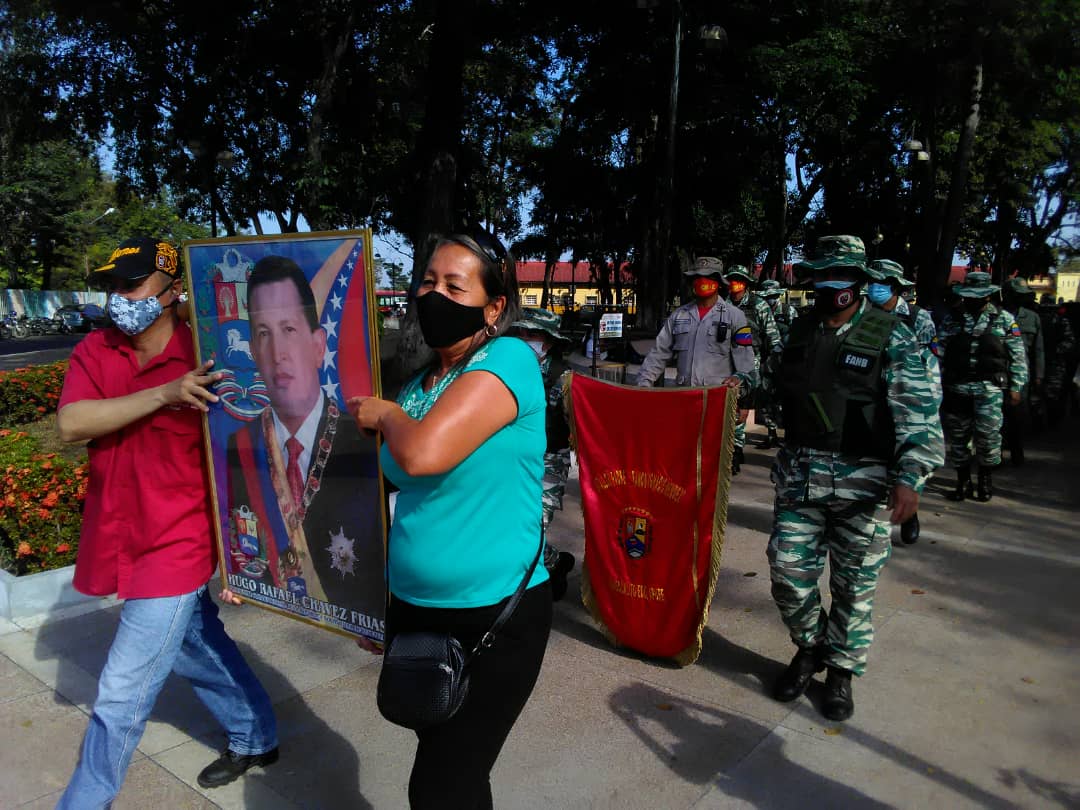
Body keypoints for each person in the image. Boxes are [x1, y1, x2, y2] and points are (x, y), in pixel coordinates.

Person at [55, 237, 278, 808]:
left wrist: (243, 557)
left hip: (179, 544)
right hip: (121, 535)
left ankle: (85, 800)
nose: (120, 298)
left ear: (172, 289)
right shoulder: (97, 350)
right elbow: (73, 424)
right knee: (192, 644)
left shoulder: (211, 356)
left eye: (132, 286)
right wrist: (163, 394)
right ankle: (256, 735)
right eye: (114, 287)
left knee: (120, 691)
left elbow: (248, 459)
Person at [349, 231, 551, 809]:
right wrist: (364, 597)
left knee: (441, 782)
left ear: (492, 308)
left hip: (491, 617)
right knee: (450, 759)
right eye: (428, 281)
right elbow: (389, 493)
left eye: (454, 286)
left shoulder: (508, 360)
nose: (434, 294)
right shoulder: (418, 387)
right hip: (412, 613)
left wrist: (384, 414)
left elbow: (420, 455)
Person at [768, 235, 944, 722]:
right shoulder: (800, 331)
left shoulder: (894, 334)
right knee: (787, 576)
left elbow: (920, 414)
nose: (828, 286)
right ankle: (811, 646)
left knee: (854, 586)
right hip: (799, 478)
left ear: (860, 283)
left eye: (839, 277)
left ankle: (840, 671)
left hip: (864, 486)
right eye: (820, 276)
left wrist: (911, 478)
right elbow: (777, 387)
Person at [225, 256, 384, 629]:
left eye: (289, 330)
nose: (277, 353)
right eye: (264, 333)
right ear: (252, 349)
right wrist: (238, 576)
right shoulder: (240, 447)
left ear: (317, 346)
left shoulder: (364, 440)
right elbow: (243, 542)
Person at [636, 256, 756, 472]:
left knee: (713, 467)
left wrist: (741, 388)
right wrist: (644, 384)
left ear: (719, 282)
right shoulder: (679, 316)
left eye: (708, 278)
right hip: (684, 403)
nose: (702, 282)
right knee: (682, 462)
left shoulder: (735, 317)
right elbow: (658, 353)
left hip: (717, 404)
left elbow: (746, 363)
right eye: (697, 278)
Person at [865, 258, 941, 544]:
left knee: (906, 461)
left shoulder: (917, 317)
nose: (874, 288)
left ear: (895, 287)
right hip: (874, 397)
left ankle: (910, 513)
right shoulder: (864, 313)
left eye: (881, 283)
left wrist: (929, 403)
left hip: (909, 397)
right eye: (872, 282)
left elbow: (929, 363)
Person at [937, 271, 1028, 502]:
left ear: (988, 296)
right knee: (958, 438)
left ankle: (985, 481)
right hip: (958, 388)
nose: (973, 300)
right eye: (969, 296)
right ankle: (962, 482)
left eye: (978, 296)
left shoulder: (1004, 319)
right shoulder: (952, 318)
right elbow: (939, 352)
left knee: (988, 438)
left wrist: (1017, 386)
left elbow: (1017, 356)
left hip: (989, 390)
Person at [510, 307, 577, 601]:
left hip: (549, 460)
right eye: (521, 333)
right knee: (511, 523)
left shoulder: (563, 379)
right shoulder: (508, 368)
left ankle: (533, 588)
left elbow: (581, 421)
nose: (525, 339)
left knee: (532, 526)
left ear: (548, 342)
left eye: (532, 334)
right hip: (513, 460)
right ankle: (554, 561)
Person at [724, 265, 782, 467]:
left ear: (746, 283)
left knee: (742, 404)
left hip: (750, 360)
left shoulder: (758, 305)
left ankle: (737, 449)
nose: (735, 284)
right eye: (731, 280)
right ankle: (731, 448)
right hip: (725, 361)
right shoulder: (723, 305)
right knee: (728, 406)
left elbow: (773, 337)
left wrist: (773, 366)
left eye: (739, 280)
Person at [1001, 277, 1044, 466]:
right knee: (997, 416)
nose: (1019, 299)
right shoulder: (997, 316)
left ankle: (1017, 452)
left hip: (1021, 374)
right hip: (998, 374)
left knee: (1018, 416)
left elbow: (1038, 349)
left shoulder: (1032, 318)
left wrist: (1039, 376)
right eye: (1016, 295)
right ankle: (996, 454)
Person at [757, 279, 799, 448]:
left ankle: (789, 435)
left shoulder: (789, 311)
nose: (770, 299)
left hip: (785, 362)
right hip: (766, 361)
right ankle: (771, 434)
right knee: (766, 398)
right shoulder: (760, 311)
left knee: (787, 399)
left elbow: (796, 336)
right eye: (767, 297)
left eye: (773, 296)